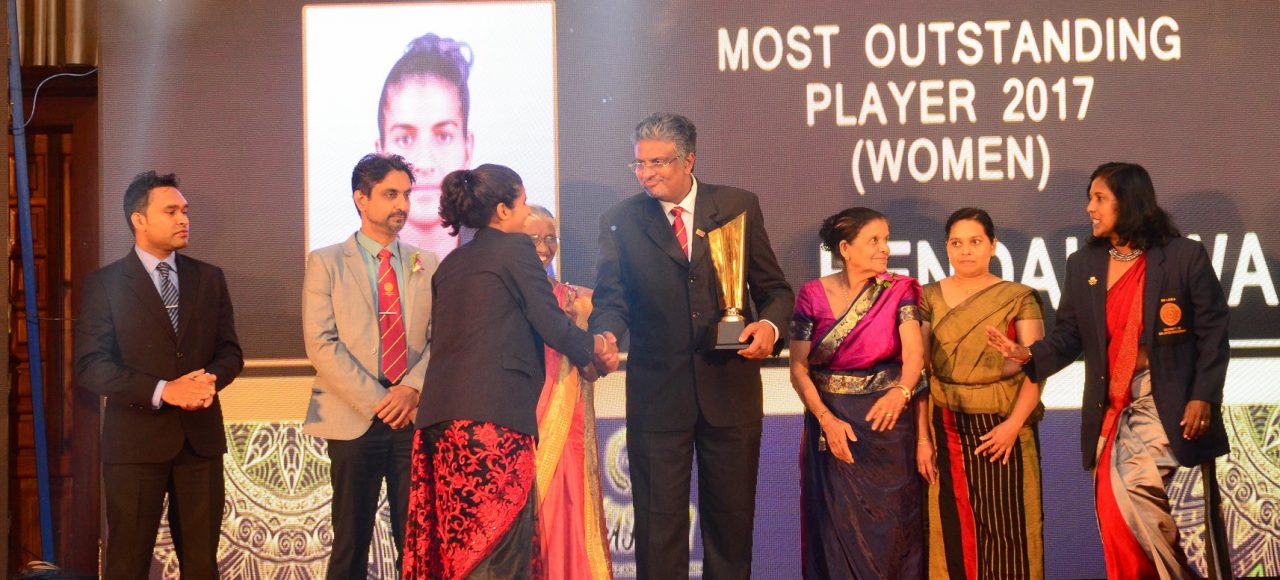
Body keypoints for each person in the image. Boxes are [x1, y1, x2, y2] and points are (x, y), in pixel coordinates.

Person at [987, 162, 1233, 579]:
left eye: (1100, 198)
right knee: (1114, 511)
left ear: (1129, 201)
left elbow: (1213, 334)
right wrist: (1028, 355)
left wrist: (1203, 396)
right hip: (1111, 409)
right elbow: (1069, 336)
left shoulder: (1182, 257)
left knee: (1132, 488)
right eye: (1090, 198)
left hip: (1167, 402)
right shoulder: (1084, 264)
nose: (1090, 208)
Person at [589, 113, 794, 579]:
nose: (647, 174)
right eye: (640, 164)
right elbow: (611, 301)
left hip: (731, 391)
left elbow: (776, 291)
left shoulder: (737, 206)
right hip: (658, 397)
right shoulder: (620, 221)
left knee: (730, 526)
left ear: (689, 161)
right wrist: (605, 335)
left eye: (658, 163)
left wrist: (768, 328)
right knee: (658, 527)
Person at [403, 165, 619, 579]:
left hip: (440, 425)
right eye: (522, 203)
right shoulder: (514, 250)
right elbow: (551, 322)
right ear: (503, 210)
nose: (525, 212)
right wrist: (596, 347)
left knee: (459, 548)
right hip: (491, 423)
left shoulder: (451, 263)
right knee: (497, 547)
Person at [74, 170, 244, 579]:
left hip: (199, 443)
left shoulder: (209, 278)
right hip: (134, 445)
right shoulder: (105, 284)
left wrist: (208, 381)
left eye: (185, 211)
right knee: (127, 564)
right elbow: (91, 365)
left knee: (201, 565)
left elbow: (230, 352)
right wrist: (164, 390)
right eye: (171, 211)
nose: (184, 219)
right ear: (139, 219)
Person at [302, 153, 438, 578]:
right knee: (350, 540)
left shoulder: (426, 262)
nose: (402, 204)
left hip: (412, 416)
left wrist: (411, 389)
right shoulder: (325, 262)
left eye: (406, 195)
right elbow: (320, 344)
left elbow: (442, 339)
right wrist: (381, 400)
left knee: (415, 540)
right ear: (361, 199)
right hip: (352, 414)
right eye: (390, 194)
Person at [788, 207, 926, 580]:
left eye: (886, 239)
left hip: (888, 425)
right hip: (832, 425)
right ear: (846, 249)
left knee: (894, 533)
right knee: (835, 531)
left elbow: (915, 355)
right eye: (874, 240)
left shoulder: (899, 290)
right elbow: (798, 368)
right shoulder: (811, 295)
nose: (885, 248)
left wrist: (901, 391)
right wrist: (826, 420)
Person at [918, 208, 1046, 579]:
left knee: (1012, 535)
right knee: (951, 535)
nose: (965, 251)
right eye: (956, 243)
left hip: (1005, 431)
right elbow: (920, 370)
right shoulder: (927, 297)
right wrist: (923, 439)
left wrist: (1013, 426)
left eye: (975, 242)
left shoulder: (1019, 297)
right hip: (946, 430)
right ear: (946, 247)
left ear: (993, 245)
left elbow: (1037, 367)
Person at [523, 205, 614, 579]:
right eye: (533, 238)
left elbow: (595, 365)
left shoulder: (579, 300)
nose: (544, 247)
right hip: (519, 425)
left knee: (568, 507)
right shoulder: (502, 296)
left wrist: (597, 347)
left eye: (551, 238)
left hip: (568, 428)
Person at [375, 33, 474, 259]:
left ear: (467, 148)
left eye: (443, 136)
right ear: (380, 154)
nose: (424, 163)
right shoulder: (344, 267)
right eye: (405, 139)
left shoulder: (504, 261)